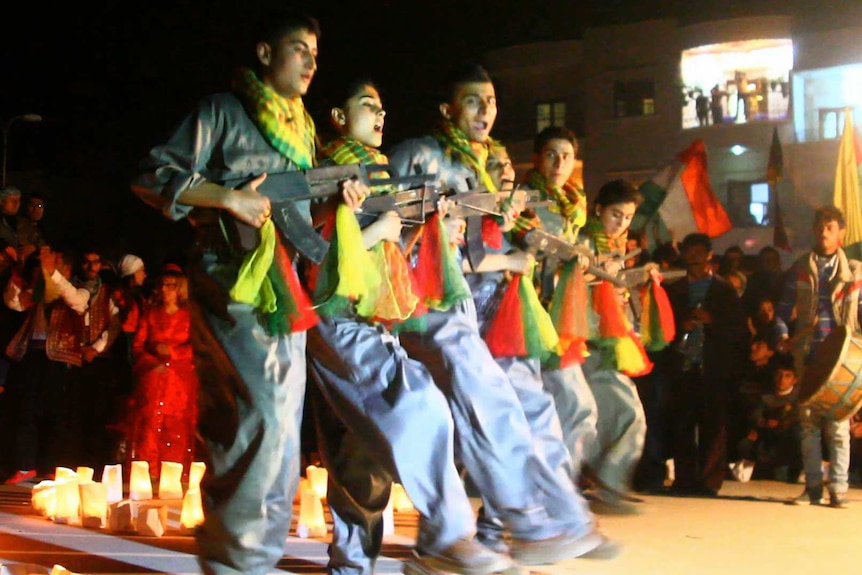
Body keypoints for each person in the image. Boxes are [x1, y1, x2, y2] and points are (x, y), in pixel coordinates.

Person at [130, 11, 371, 574]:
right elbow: (151, 175)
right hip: (230, 276)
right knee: (255, 418)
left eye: (316, 51)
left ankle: (251, 558)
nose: (311, 61)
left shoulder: (306, 128)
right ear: (264, 53)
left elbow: (302, 206)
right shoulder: (223, 110)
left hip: (285, 286)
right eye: (298, 49)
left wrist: (341, 201)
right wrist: (226, 197)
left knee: (283, 427)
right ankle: (234, 561)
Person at [389, 63, 615, 566]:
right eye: (473, 100)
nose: (486, 110)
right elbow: (397, 229)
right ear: (448, 109)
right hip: (430, 302)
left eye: (491, 101)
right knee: (470, 410)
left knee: (523, 410)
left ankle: (542, 520)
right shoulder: (419, 152)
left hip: (485, 302)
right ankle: (522, 521)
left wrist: (511, 230)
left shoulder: (492, 162)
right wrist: (452, 221)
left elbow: (483, 236)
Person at [308, 78, 512, 575]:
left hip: (372, 317)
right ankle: (445, 536)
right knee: (419, 404)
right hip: (339, 318)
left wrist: (425, 221)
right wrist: (372, 223)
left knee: (362, 456)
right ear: (338, 117)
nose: (380, 115)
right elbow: (318, 256)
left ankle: (351, 566)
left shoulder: (374, 175)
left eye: (383, 108)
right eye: (367, 106)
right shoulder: (325, 172)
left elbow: (386, 250)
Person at [777, 205, 862, 508]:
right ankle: (813, 488)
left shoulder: (855, 272)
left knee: (839, 427)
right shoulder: (800, 268)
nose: (824, 233)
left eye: (830, 228)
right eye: (820, 227)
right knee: (808, 425)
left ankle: (838, 488)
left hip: (842, 360)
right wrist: (783, 337)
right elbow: (782, 313)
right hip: (809, 355)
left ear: (841, 233)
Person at [577, 179, 654, 510]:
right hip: (584, 339)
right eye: (615, 215)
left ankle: (603, 484)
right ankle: (608, 485)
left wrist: (637, 275)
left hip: (603, 339)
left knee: (600, 414)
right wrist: (600, 274)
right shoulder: (583, 239)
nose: (621, 223)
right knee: (626, 411)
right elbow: (572, 279)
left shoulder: (615, 245)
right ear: (598, 210)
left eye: (627, 217)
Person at [665, 233, 750, 497]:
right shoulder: (676, 289)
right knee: (682, 424)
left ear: (709, 255)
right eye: (689, 253)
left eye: (698, 253)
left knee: (714, 425)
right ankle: (684, 479)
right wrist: (683, 326)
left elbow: (739, 330)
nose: (693, 258)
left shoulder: (724, 290)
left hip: (714, 365)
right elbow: (664, 327)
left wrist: (712, 320)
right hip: (684, 364)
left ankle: (709, 481)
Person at [2, 245, 90, 484]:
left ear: (68, 269)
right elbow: (14, 302)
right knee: (27, 411)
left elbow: (77, 303)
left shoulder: (79, 290)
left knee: (59, 414)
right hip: (33, 356)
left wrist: (53, 274)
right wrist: (20, 270)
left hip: (61, 360)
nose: (50, 267)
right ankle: (25, 466)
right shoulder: (40, 289)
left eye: (58, 263)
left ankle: (56, 468)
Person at [127, 264, 197, 480]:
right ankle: (148, 473)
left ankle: (173, 474)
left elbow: (198, 348)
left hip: (180, 379)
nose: (165, 290)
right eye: (163, 285)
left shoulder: (189, 316)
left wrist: (173, 353)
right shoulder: (151, 314)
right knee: (150, 423)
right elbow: (138, 346)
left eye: (171, 286)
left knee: (176, 424)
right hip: (153, 377)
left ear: (180, 289)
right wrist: (152, 364)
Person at [74, 247, 121, 475]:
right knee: (73, 412)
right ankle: (75, 463)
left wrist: (96, 347)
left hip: (99, 359)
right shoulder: (72, 287)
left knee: (98, 413)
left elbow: (114, 325)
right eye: (86, 262)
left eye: (95, 262)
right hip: (73, 357)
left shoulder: (108, 291)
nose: (91, 267)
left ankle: (96, 466)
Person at [731, 353, 801, 483]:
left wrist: (783, 423)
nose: (782, 380)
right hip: (768, 437)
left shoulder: (799, 398)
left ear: (794, 379)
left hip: (790, 440)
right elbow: (755, 416)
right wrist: (763, 423)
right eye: (779, 375)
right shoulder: (765, 396)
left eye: (787, 376)